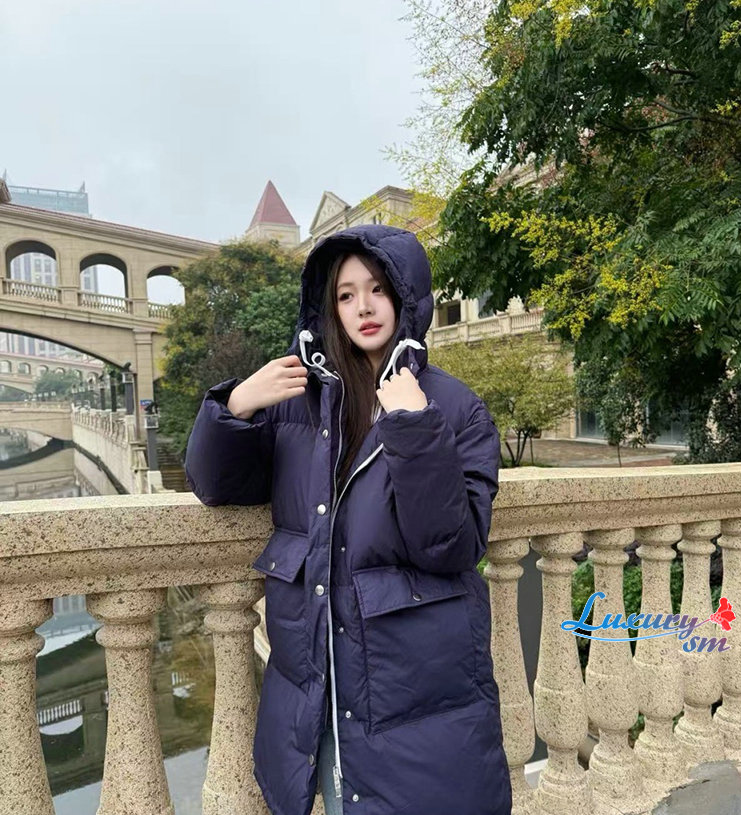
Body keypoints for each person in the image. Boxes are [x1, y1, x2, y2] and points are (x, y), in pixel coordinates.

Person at [184, 224, 512, 815]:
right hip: (320, 686)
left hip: (412, 683)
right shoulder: (295, 398)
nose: (363, 307)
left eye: (378, 289)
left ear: (406, 297)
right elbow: (215, 485)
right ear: (328, 306)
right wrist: (234, 406)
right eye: (345, 294)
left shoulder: (455, 407)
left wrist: (415, 428)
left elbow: (452, 546)